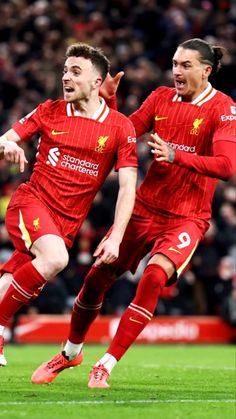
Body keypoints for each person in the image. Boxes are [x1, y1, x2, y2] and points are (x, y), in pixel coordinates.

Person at [25, 38, 236, 386]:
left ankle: (105, 364)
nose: (176, 72)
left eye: (185, 65)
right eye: (174, 64)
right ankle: (70, 353)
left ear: (206, 70)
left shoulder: (224, 108)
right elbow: (124, 132)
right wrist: (107, 102)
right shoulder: (160, 98)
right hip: (145, 207)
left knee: (153, 278)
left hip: (186, 216)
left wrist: (175, 155)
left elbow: (227, 165)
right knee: (96, 279)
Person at [0, 42, 138, 367]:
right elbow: (5, 138)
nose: (66, 77)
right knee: (55, 258)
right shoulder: (50, 110)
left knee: (8, 283)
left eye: (76, 71)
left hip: (64, 226)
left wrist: (117, 235)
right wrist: (6, 146)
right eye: (65, 70)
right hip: (30, 204)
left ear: (96, 82)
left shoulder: (120, 127)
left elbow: (128, 186)